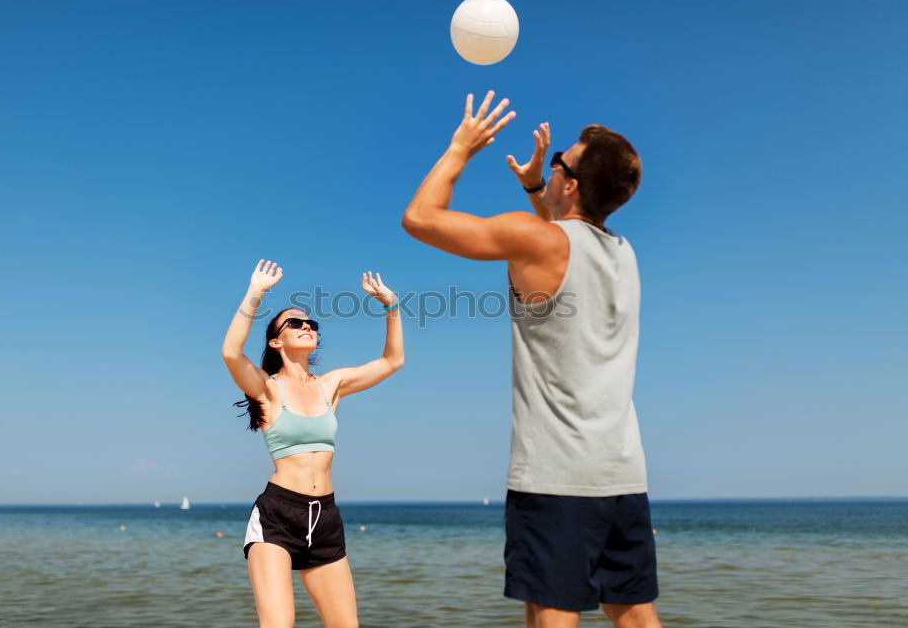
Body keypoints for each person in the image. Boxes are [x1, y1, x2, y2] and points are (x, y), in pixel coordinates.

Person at [401, 91, 661, 628]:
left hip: (557, 476)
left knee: (552, 618)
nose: (553, 163)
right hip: (622, 472)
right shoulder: (623, 253)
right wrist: (537, 184)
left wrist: (460, 147)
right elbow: (565, 227)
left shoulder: (539, 240)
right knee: (634, 614)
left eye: (560, 160)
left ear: (569, 183)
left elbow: (420, 219)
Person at [221, 259, 403, 628]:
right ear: (276, 340)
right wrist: (254, 294)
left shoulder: (330, 385)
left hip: (325, 517)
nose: (306, 327)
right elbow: (230, 354)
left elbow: (393, 360)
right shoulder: (267, 388)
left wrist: (391, 305)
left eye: (311, 324)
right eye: (295, 323)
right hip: (277, 517)